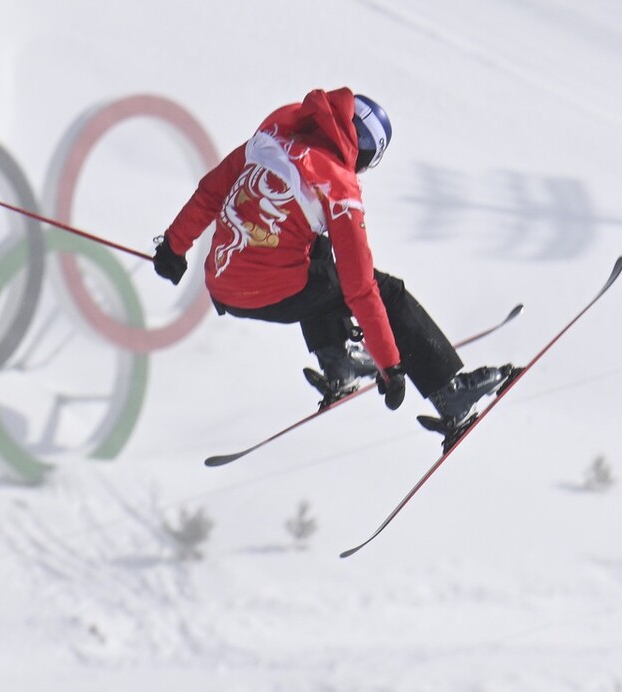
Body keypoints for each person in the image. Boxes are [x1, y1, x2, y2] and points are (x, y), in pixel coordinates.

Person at [151, 87, 513, 448]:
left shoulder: (274, 134)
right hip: (271, 292)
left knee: (316, 253)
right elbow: (361, 287)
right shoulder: (339, 189)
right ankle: (451, 394)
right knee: (389, 293)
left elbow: (212, 191)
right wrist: (389, 365)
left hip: (222, 281)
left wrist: (174, 246)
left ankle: (337, 361)